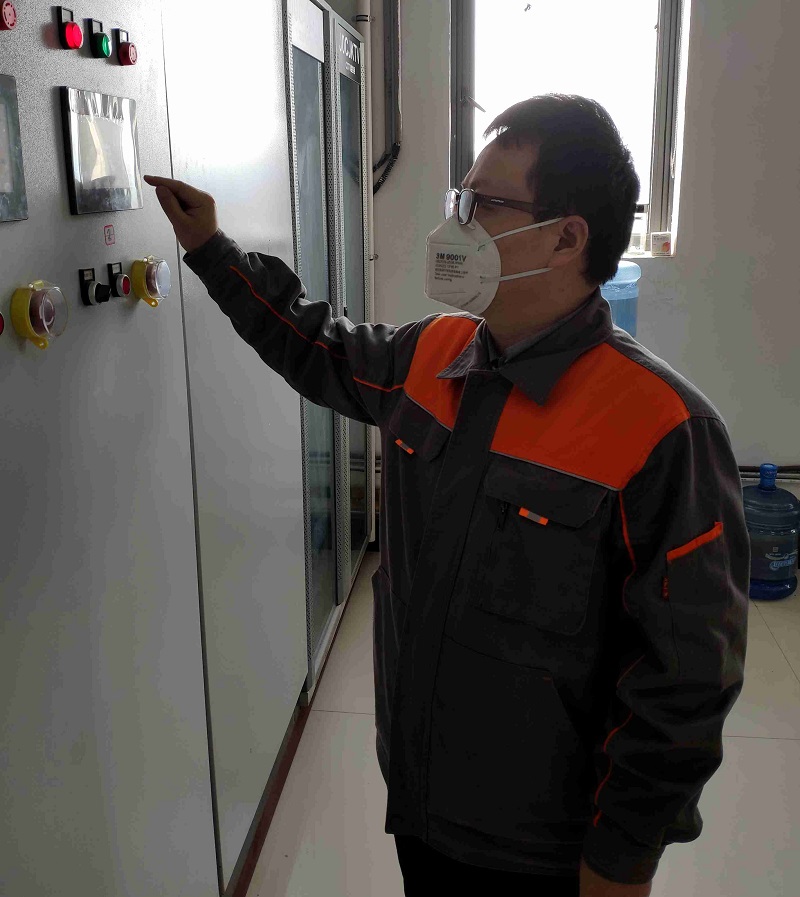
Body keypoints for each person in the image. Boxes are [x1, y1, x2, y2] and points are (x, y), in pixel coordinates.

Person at [144, 94, 750, 897]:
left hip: (542, 847)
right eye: (457, 198)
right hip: (421, 793)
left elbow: (686, 679)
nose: (454, 224)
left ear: (567, 237)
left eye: (482, 204)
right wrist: (213, 252)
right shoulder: (435, 351)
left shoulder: (663, 428)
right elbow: (317, 346)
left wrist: (622, 858)